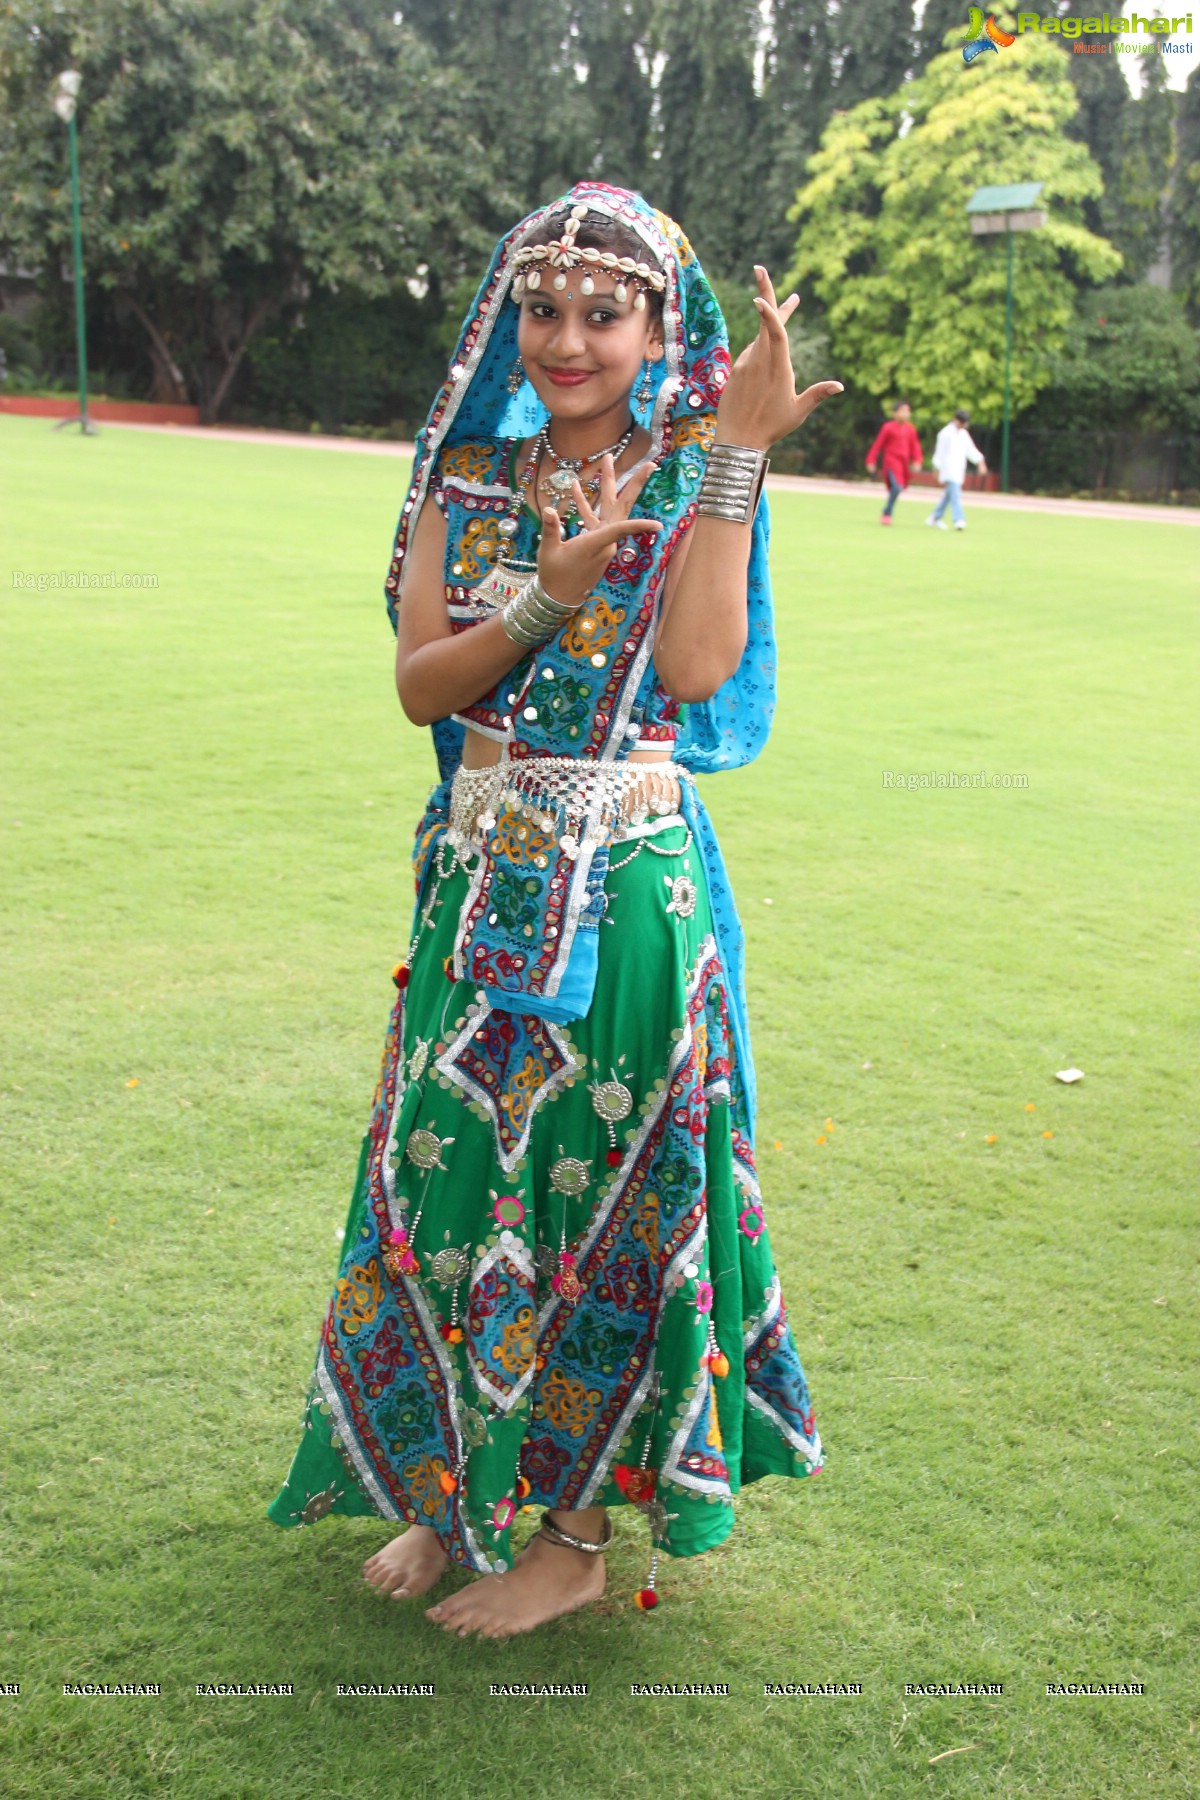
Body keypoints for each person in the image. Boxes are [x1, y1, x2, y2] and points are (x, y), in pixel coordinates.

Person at [267, 183, 840, 1641]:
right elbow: (419, 686)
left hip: (631, 898)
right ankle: (444, 1495)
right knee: (448, 1177)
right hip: (480, 880)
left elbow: (702, 668)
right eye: (542, 308)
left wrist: (740, 459)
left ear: (659, 330)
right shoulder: (466, 478)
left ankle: (575, 1542)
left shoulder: (696, 471)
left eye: (602, 312)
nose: (566, 340)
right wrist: (540, 599)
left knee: (612, 1198)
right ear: (504, 314)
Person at [927, 408, 987, 530]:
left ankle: (935, 517)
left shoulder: (963, 434)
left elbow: (970, 450)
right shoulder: (945, 433)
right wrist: (936, 468)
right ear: (956, 420)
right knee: (955, 495)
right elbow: (939, 452)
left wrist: (980, 462)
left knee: (949, 495)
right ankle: (959, 519)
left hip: (958, 469)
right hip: (948, 470)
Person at [865, 401, 923, 525]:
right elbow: (878, 445)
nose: (906, 414)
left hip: (903, 465)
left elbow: (915, 446)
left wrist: (917, 460)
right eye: (903, 411)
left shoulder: (910, 429)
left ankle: (887, 512)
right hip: (891, 463)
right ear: (895, 413)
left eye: (907, 411)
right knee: (896, 487)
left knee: (898, 488)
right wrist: (871, 460)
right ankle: (887, 513)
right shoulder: (888, 427)